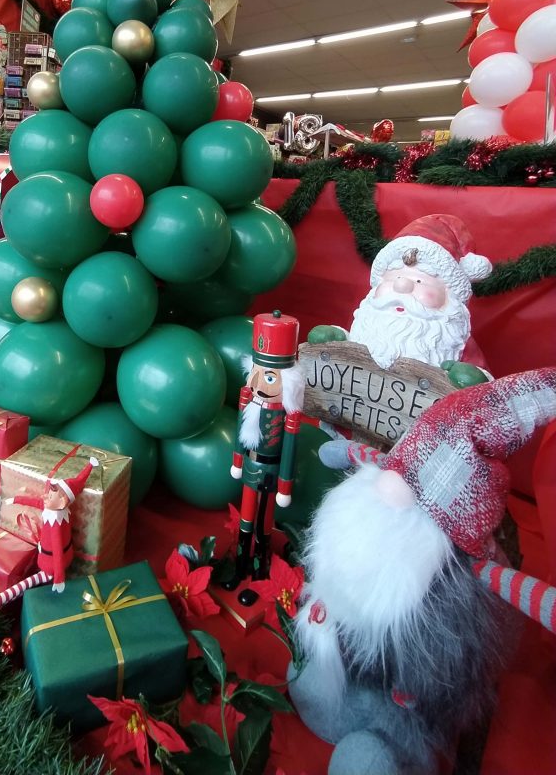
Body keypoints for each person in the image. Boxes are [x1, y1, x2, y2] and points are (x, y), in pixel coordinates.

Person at [289, 368, 556, 775]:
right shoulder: (370, 504)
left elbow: (532, 600)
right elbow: (357, 458)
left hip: (407, 697)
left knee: (380, 748)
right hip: (345, 663)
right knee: (327, 665)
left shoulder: (451, 583)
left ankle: (387, 746)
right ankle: (336, 691)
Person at [309, 213, 492, 387]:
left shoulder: (455, 342)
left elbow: (482, 384)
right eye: (393, 278)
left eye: (420, 281)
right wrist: (338, 340)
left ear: (450, 296)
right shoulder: (371, 324)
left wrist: (472, 378)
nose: (402, 285)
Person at [223, 310, 305, 605]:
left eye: (268, 376)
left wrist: (285, 485)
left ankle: (260, 569)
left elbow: (289, 450)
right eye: (256, 370)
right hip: (250, 467)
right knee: (245, 520)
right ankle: (240, 564)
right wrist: (237, 461)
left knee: (264, 523)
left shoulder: (288, 415)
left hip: (272, 473)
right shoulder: (249, 401)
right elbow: (239, 434)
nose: (259, 382)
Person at [0, 457, 98, 615]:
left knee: (25, 585)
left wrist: (58, 577)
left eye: (50, 496)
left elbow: (57, 550)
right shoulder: (54, 511)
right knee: (30, 583)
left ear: (62, 502)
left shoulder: (57, 523)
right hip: (52, 558)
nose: (45, 497)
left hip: (51, 565)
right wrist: (15, 499)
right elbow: (36, 501)